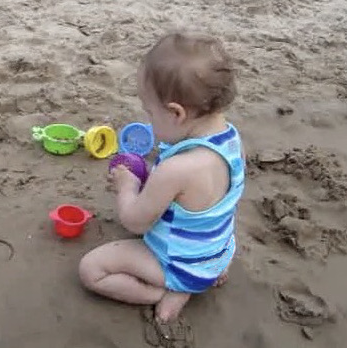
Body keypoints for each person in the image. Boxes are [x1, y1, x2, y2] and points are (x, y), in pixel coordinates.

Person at [78, 31, 246, 330]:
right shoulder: (232, 141)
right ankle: (205, 274)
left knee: (91, 269)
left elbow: (134, 222)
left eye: (149, 111)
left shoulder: (177, 170)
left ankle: (167, 291)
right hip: (219, 254)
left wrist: (128, 187)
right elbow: (201, 197)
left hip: (179, 264)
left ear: (176, 113)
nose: (148, 118)